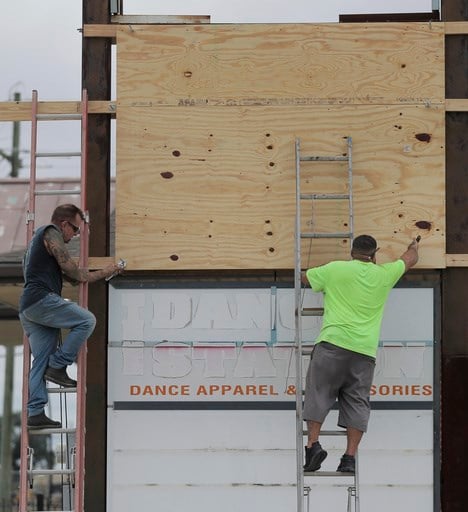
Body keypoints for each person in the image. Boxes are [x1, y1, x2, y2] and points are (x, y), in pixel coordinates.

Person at [302, 234, 419, 474]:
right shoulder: (384, 274)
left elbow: (305, 278)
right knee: (357, 402)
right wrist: (414, 245)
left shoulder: (335, 270)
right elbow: (409, 259)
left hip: (332, 345)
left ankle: (313, 445)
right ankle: (349, 458)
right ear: (374, 255)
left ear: (351, 252)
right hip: (364, 352)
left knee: (319, 393)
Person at [19, 204, 124, 429]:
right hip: (41, 300)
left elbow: (75, 278)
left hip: (29, 308)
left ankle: (35, 412)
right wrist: (108, 270)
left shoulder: (36, 244)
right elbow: (74, 272)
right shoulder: (51, 233)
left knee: (40, 362)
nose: (75, 235)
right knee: (86, 320)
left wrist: (104, 272)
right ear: (64, 223)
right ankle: (58, 365)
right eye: (75, 229)